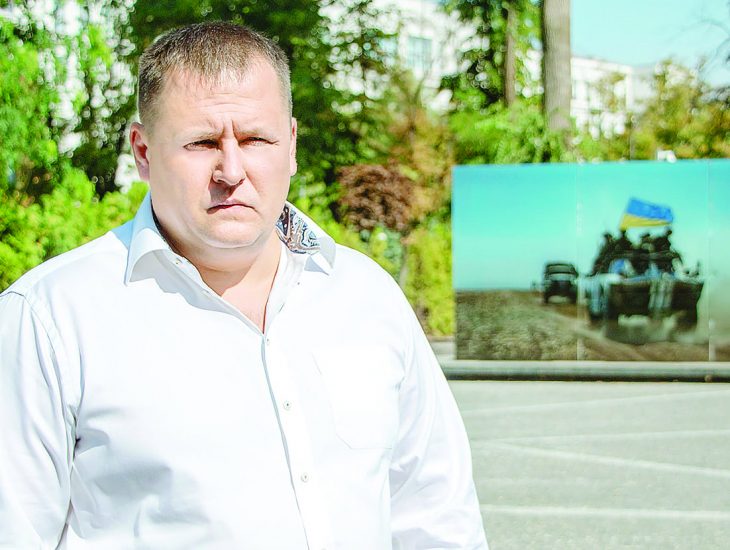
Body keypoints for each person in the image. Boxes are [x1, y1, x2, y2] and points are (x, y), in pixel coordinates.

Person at [0, 22, 487, 549]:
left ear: (291, 144)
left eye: (255, 139)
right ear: (142, 151)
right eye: (202, 142)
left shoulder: (366, 297)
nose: (231, 170)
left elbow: (436, 516)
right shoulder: (50, 318)